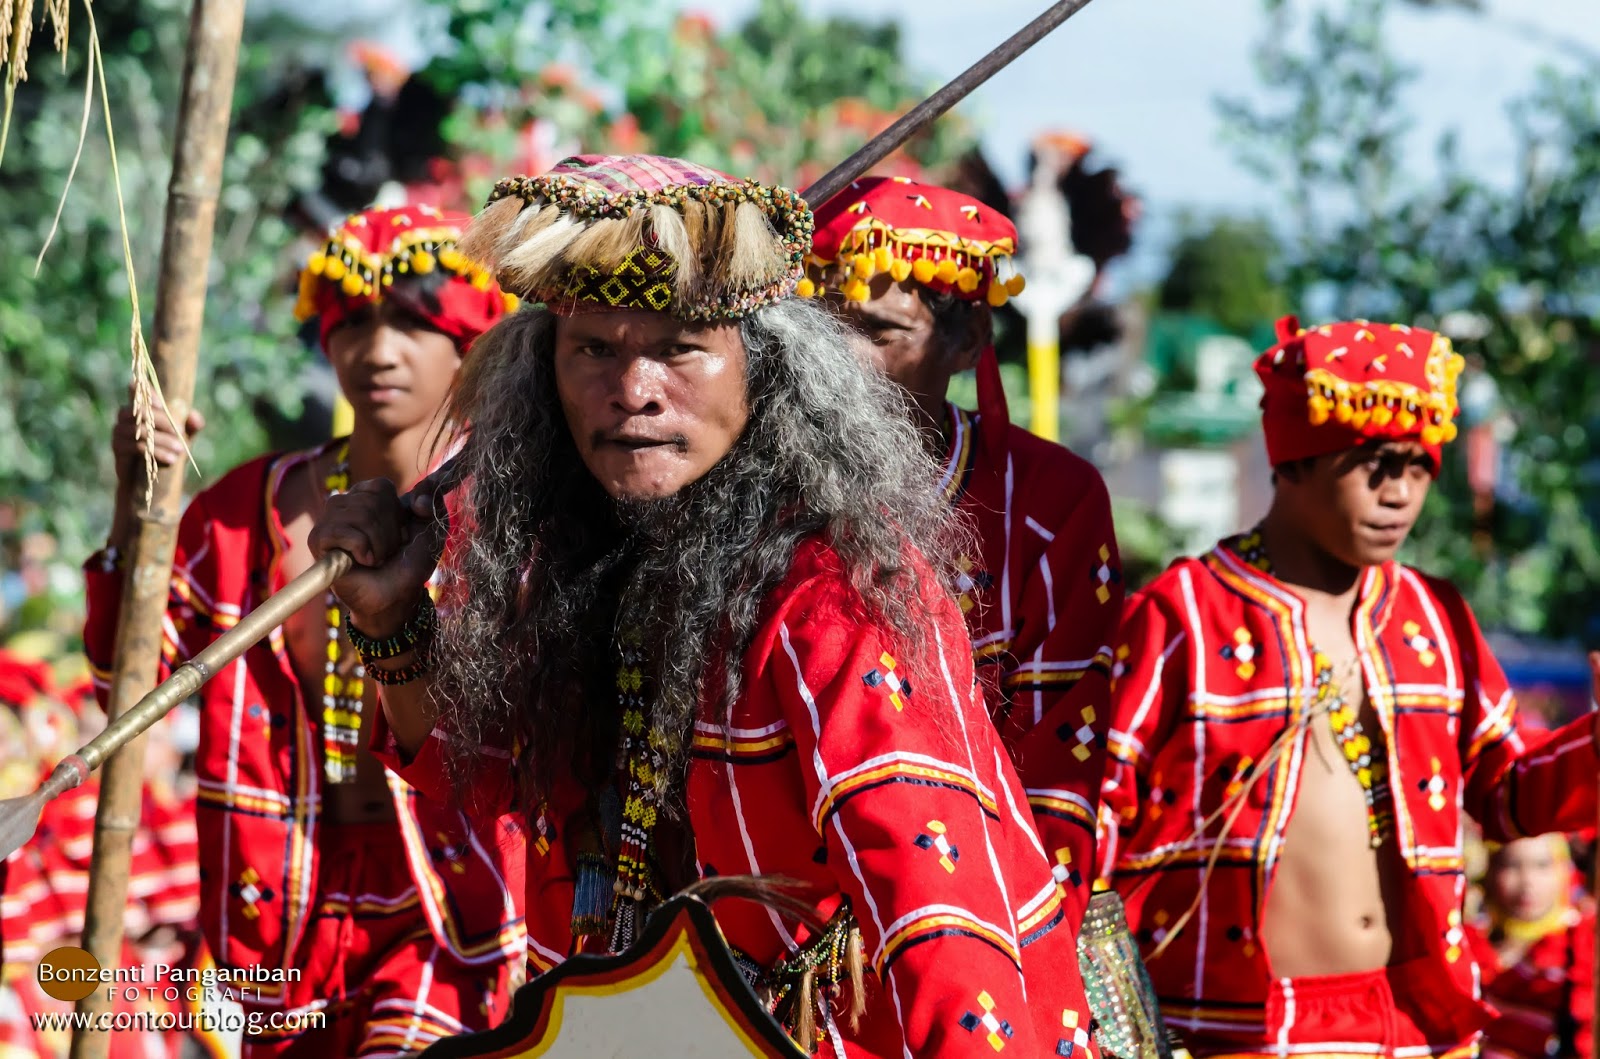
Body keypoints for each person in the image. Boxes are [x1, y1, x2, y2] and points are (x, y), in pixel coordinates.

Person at [314, 154, 1095, 1058]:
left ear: (766, 372)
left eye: (680, 345)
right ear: (546, 376)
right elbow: (482, 776)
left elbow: (936, 907)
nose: (633, 390)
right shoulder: (581, 555)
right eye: (594, 350)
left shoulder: (832, 592)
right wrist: (389, 623)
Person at [83, 206, 526, 1056]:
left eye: (412, 321)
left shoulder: (511, 514)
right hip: (277, 912)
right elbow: (121, 688)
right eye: (355, 321)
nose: (378, 350)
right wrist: (134, 503)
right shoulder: (244, 514)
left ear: (467, 341)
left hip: (448, 906)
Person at [1097, 315, 1600, 1057]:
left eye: (1419, 466)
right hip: (1232, 1029)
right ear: (1294, 460)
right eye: (1373, 463)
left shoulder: (1435, 614)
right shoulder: (1185, 614)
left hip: (1415, 1023)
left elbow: (1504, 792)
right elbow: (1091, 816)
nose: (1400, 491)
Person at [803, 177, 1122, 947]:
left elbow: (1056, 774)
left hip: (983, 917)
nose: (835, 365)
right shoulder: (746, 487)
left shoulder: (1049, 503)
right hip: (783, 920)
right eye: (818, 328)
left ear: (967, 340)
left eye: (876, 332)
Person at [1470, 833, 1593, 1059]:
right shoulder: (1464, 945)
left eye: (1542, 865)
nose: (1527, 881)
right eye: (1512, 865)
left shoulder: (1582, 947)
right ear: (1490, 870)